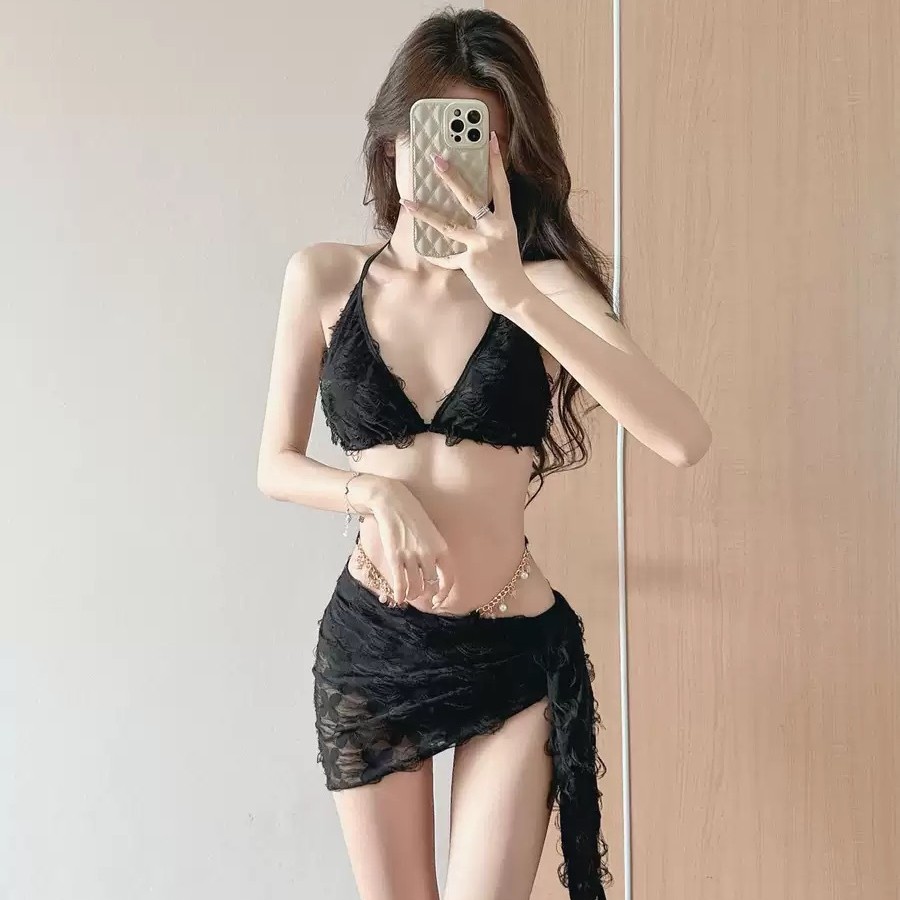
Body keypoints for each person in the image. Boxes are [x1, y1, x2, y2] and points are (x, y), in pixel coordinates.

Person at [256, 9, 711, 900]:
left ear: (510, 157)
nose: (452, 164)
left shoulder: (542, 288)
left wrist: (514, 295)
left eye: (483, 141)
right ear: (391, 143)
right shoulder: (324, 277)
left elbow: (682, 437)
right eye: (434, 134)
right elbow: (273, 464)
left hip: (514, 649)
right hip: (373, 645)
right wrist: (370, 493)